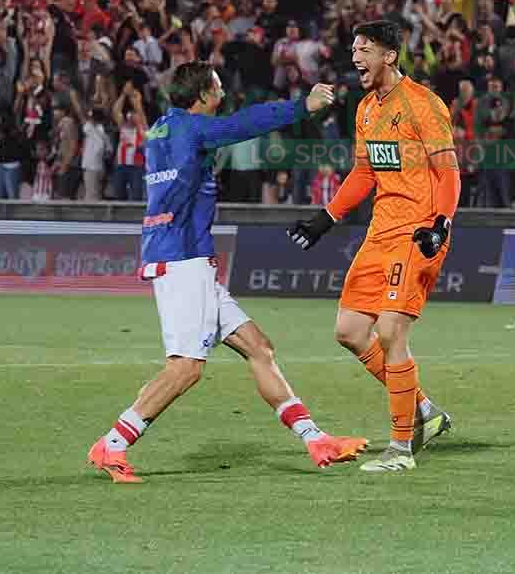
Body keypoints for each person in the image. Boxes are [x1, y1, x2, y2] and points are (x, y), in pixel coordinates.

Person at [88, 62, 367, 484]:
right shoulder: (194, 128)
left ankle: (316, 440)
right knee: (185, 368)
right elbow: (245, 124)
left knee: (259, 348)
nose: (223, 93)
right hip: (184, 260)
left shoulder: (162, 128)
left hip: (178, 255)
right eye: (218, 86)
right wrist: (302, 106)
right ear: (202, 95)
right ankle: (112, 444)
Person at [287, 20, 459, 473]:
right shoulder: (365, 109)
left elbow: (448, 172)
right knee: (349, 330)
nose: (355, 57)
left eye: (364, 49)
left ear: (389, 55)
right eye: (354, 49)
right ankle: (424, 411)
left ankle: (401, 449)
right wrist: (326, 218)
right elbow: (365, 174)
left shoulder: (423, 104)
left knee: (390, 332)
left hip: (418, 233)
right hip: (380, 232)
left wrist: (440, 224)